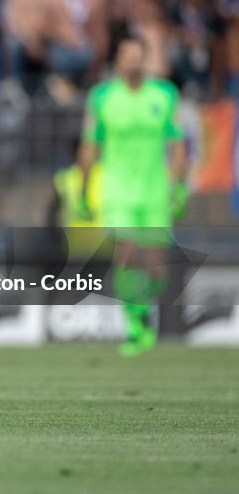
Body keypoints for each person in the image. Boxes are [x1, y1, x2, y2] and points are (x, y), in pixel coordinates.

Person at [78, 39, 188, 357]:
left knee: (157, 271)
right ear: (118, 61)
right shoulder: (102, 98)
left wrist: (179, 186)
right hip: (118, 190)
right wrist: (84, 189)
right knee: (126, 253)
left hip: (155, 192)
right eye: (126, 57)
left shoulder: (165, 95)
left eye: (138, 57)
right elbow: (89, 145)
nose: (132, 62)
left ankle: (141, 308)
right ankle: (134, 325)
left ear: (146, 60)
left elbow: (178, 144)